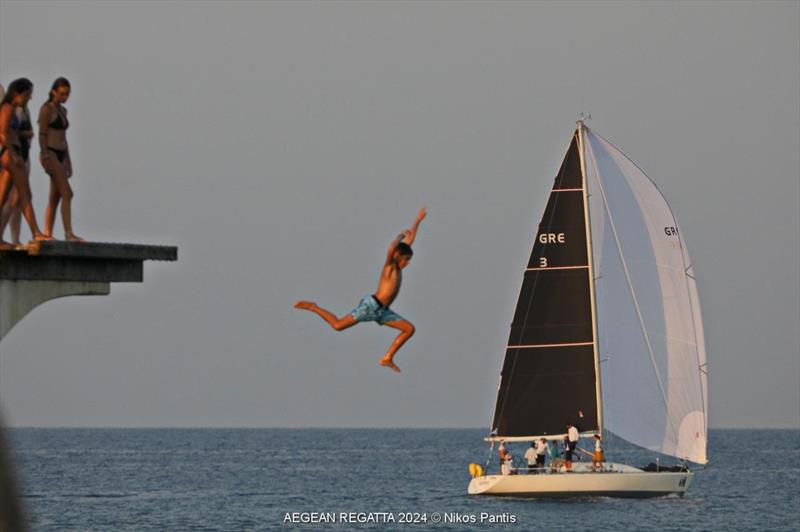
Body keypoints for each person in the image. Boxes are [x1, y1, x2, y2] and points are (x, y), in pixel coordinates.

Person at [295, 207, 427, 373]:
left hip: (383, 311)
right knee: (337, 326)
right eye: (406, 260)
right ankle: (313, 307)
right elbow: (391, 248)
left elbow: (409, 241)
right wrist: (399, 236)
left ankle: (387, 358)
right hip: (371, 306)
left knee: (409, 329)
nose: (408, 264)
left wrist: (417, 221)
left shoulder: (399, 266)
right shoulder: (390, 267)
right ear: (397, 257)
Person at [0, 78, 50, 246]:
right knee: (25, 195)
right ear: (17, 93)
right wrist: (14, 154)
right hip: (11, 155)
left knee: (3, 196)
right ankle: (36, 232)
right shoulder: (7, 108)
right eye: (27, 94)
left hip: (13, 154)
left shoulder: (15, 109)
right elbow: (2, 133)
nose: (29, 98)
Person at [39, 77, 83, 241]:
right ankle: (69, 233)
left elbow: (64, 137)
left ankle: (47, 233)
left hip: (62, 154)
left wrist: (68, 161)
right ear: (54, 92)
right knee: (67, 192)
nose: (65, 97)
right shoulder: (46, 109)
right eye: (62, 94)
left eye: (67, 94)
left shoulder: (63, 111)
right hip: (50, 152)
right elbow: (42, 134)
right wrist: (44, 155)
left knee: (55, 195)